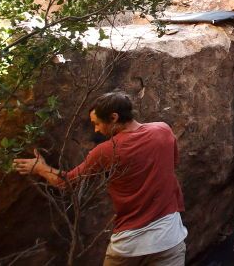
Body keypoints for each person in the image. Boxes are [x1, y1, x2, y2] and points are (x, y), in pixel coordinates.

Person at [13, 91, 187, 266]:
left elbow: (66, 184)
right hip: (169, 239)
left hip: (128, 245)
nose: (96, 129)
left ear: (113, 117)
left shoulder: (105, 151)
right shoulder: (163, 130)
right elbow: (172, 164)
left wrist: (40, 168)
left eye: (97, 124)